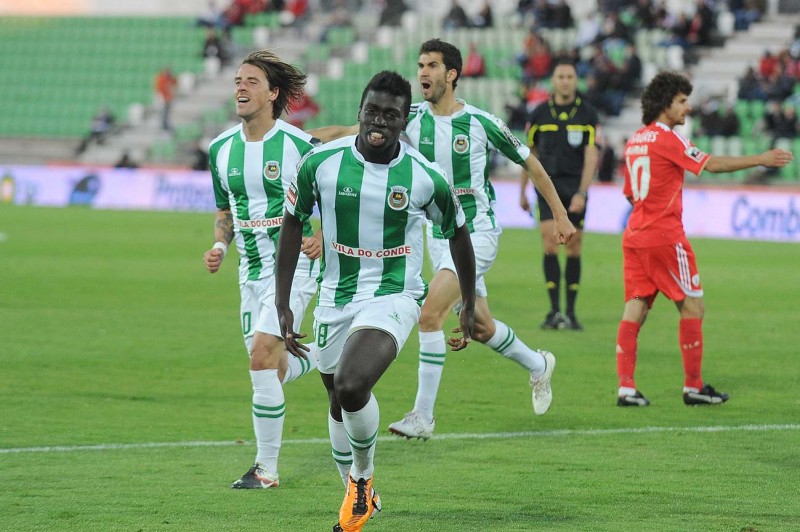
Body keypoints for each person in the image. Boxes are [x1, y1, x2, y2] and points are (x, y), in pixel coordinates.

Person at [311, 39, 575, 439]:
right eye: (420, 64)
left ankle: (423, 416)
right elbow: (347, 133)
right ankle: (539, 365)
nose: (422, 72)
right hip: (437, 238)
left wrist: (560, 214)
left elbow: (531, 164)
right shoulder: (410, 117)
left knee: (430, 312)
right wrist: (293, 138)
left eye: (431, 65)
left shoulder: (482, 123)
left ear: (451, 74)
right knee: (481, 327)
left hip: (477, 234)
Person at [276, 70, 476, 532]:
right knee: (336, 399)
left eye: (391, 114)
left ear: (405, 120)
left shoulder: (425, 177)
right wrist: (283, 300)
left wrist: (467, 302)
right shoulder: (320, 163)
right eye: (372, 111)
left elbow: (459, 234)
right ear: (360, 112)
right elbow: (292, 221)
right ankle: (355, 490)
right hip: (335, 296)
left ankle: (362, 480)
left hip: (394, 294)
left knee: (351, 385)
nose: (379, 121)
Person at [616, 71, 793, 407]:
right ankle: (694, 387)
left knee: (635, 307)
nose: (688, 107)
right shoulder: (668, 138)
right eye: (682, 101)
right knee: (693, 306)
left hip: (635, 235)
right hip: (665, 236)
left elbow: (629, 193)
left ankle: (626, 388)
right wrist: (760, 159)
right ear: (665, 104)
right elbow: (710, 164)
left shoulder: (635, 139)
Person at [202, 49, 323, 489]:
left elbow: (333, 196)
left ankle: (266, 469)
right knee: (272, 369)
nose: (241, 87)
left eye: (251, 81)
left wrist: (323, 235)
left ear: (273, 94)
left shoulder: (299, 146)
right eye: (238, 80)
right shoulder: (220, 149)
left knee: (260, 358)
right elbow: (225, 209)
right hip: (249, 273)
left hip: (294, 268)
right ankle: (330, 355)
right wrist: (220, 244)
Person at [521, 59, 599, 331]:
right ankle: (554, 311)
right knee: (550, 243)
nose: (565, 81)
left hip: (574, 188)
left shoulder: (587, 114)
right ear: (553, 81)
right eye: (561, 76)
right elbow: (528, 155)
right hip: (546, 187)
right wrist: (522, 191)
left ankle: (571, 313)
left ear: (576, 80)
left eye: (570, 76)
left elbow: (591, 156)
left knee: (575, 247)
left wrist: (582, 192)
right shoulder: (539, 114)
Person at [153, 67, 177, 131]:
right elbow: (159, 88)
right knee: (162, 112)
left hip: (168, 98)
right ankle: (162, 126)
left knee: (167, 112)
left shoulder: (169, 78)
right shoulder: (161, 78)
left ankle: (166, 125)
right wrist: (161, 98)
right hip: (162, 98)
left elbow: (175, 82)